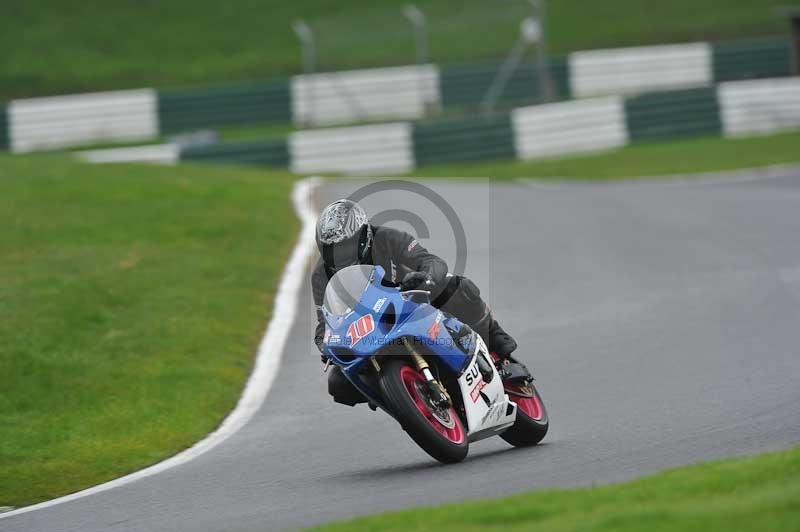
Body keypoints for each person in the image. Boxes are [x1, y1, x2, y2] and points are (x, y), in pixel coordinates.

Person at [312, 199, 519, 406]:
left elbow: (432, 261)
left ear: (363, 236)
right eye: (332, 249)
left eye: (346, 245)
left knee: (456, 287)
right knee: (338, 383)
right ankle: (403, 401)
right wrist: (327, 346)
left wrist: (425, 277)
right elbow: (325, 322)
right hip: (371, 330)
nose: (340, 254)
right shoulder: (321, 275)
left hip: (412, 302)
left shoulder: (387, 238)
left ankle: (502, 352)